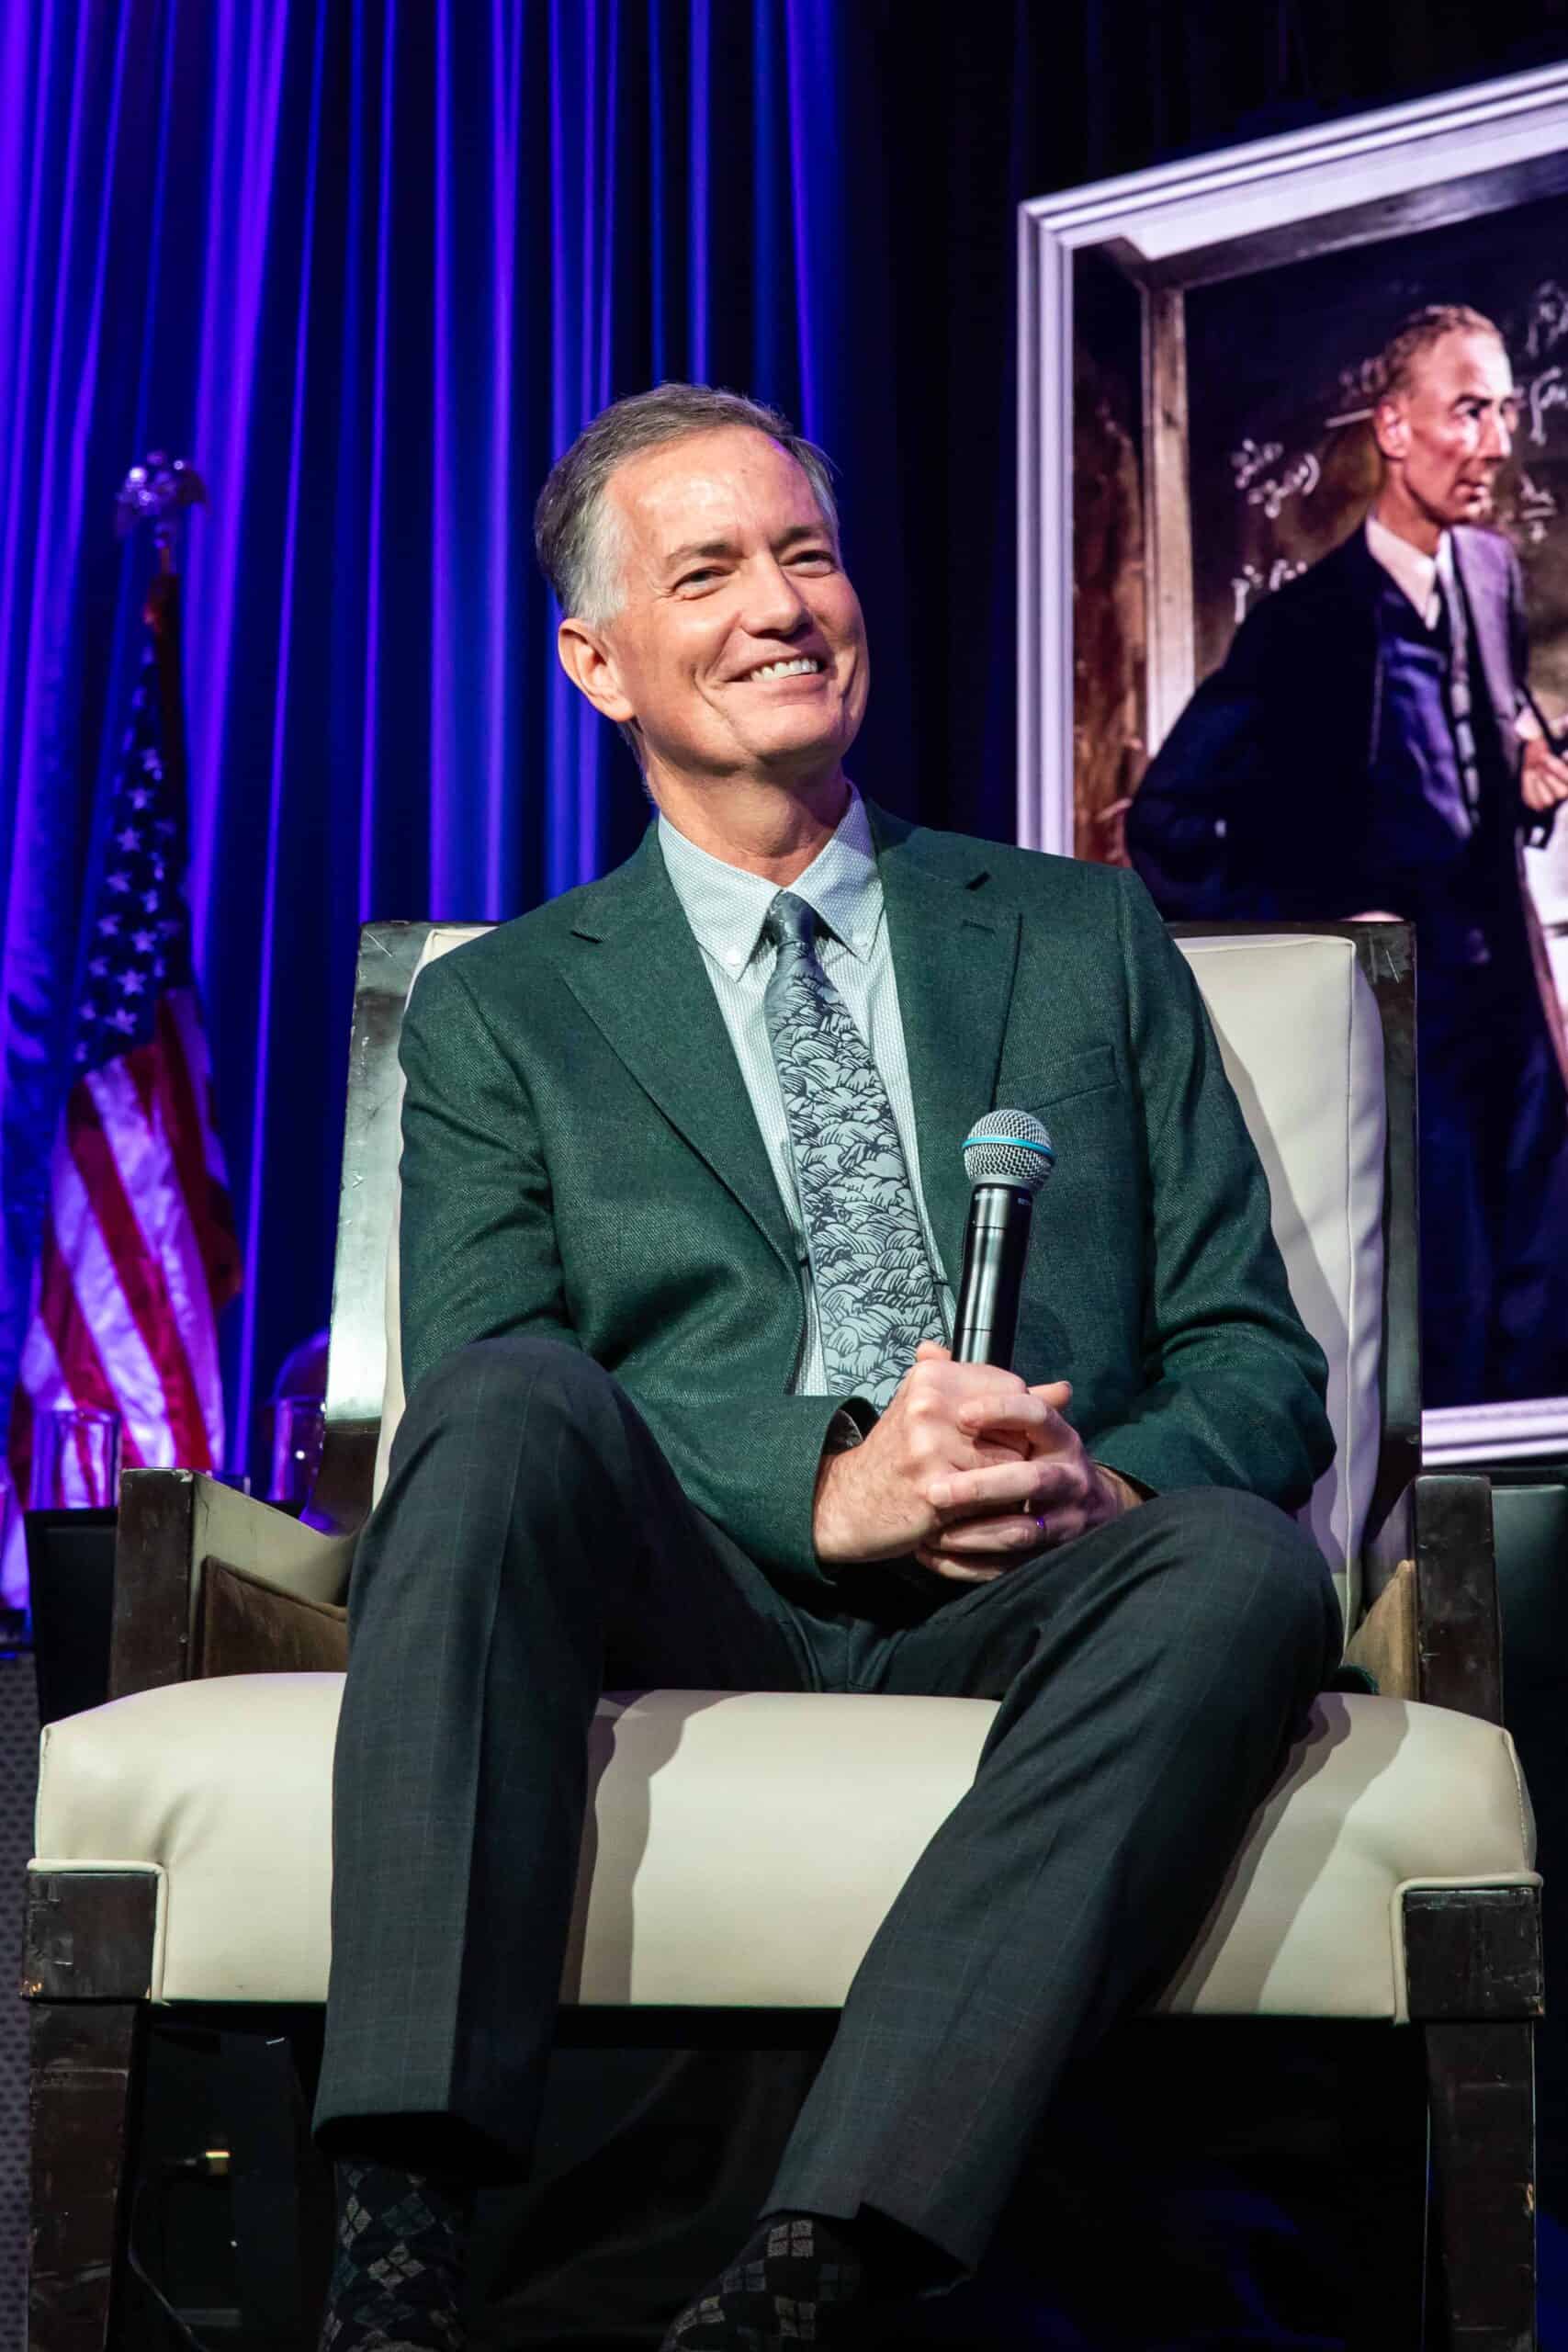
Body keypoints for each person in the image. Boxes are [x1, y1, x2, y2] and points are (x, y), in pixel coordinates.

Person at [313, 383, 1340, 2352]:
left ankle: (820, 2258)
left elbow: (1249, 1356)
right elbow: (490, 1364)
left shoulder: (1078, 932)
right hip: (687, 1581)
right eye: (707, 571)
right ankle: (397, 2236)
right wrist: (827, 1481)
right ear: (596, 663)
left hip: (1030, 1594)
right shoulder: (506, 1010)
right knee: (503, 1405)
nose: (782, 605)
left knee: (1236, 1560)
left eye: (805, 553)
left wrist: (1095, 1486)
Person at [1127, 304, 1568, 1410]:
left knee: (1545, 1294)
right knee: (1452, 1309)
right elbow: (1165, 820)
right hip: (1402, 1026)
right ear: (1395, 427)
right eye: (1469, 411)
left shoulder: (1491, 573)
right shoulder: (1306, 628)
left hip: (1512, 1010)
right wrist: (1316, 933)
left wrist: (1520, 761)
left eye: (1506, 411)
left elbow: (1481, 720)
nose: (1498, 441)